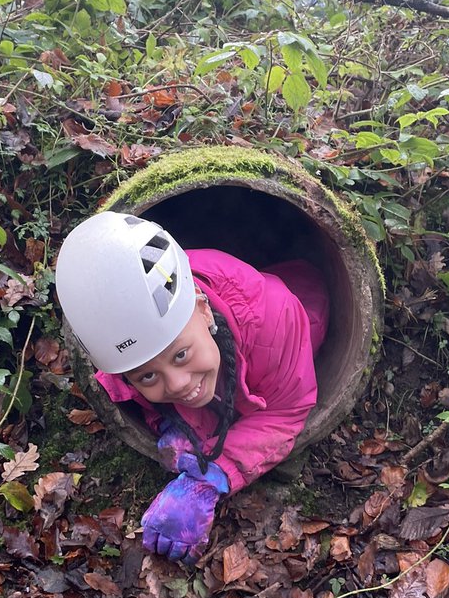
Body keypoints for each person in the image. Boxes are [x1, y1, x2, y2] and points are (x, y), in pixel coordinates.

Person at [55, 212, 329, 564]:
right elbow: (126, 384)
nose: (179, 383)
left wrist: (209, 476)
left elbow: (286, 409)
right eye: (148, 376)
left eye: (181, 354)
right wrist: (169, 422)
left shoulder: (273, 317)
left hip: (305, 300)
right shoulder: (126, 335)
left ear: (202, 309)